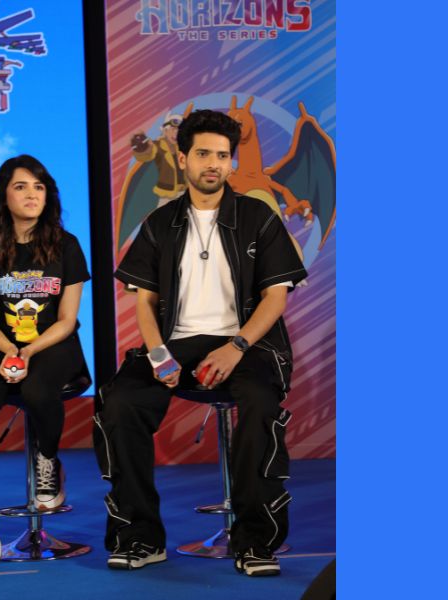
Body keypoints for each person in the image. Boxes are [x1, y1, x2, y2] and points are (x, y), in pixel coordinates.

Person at [93, 110, 307, 576]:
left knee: (259, 405)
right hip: (176, 342)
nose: (214, 164)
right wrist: (158, 354)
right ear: (183, 158)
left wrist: (236, 347)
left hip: (249, 344)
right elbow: (145, 302)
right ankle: (140, 535)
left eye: (223, 156)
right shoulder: (159, 223)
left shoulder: (259, 217)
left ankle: (254, 540)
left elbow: (275, 297)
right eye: (204, 154)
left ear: (232, 161)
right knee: (120, 402)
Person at [0, 154, 90, 565]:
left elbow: (67, 319)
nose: (32, 194)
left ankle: (47, 458)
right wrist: (9, 350)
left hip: (53, 343)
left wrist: (29, 351)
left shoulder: (67, 245)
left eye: (38, 186)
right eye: (21, 186)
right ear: (3, 195)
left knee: (36, 390)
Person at [130, 112, 187, 206]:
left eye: (179, 130)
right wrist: (141, 146)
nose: (176, 133)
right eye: (173, 129)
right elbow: (147, 154)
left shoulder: (183, 146)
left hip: (185, 192)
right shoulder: (157, 145)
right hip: (167, 195)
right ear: (165, 130)